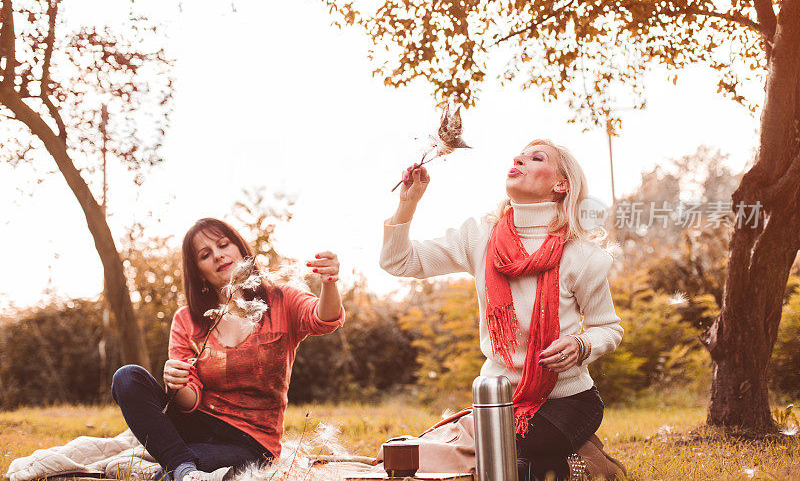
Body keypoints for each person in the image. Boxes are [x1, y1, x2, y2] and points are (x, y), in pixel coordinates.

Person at [380, 139, 624, 480]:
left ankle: (582, 460)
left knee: (518, 462)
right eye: (519, 155)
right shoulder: (479, 238)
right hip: (498, 400)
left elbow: (608, 328)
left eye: (535, 158)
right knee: (399, 455)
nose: (518, 159)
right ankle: (570, 454)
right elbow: (398, 261)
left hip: (568, 399)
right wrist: (407, 203)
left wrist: (582, 345)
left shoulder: (581, 255)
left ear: (561, 184)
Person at [112, 218, 345, 481]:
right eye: (205, 254)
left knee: (171, 472)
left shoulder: (281, 300)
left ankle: (177, 464)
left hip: (249, 441)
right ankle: (183, 467)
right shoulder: (186, 319)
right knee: (126, 377)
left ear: (240, 249)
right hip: (193, 424)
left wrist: (329, 282)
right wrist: (177, 382)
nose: (218, 255)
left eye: (223, 244)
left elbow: (323, 319)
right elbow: (190, 401)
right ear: (199, 271)